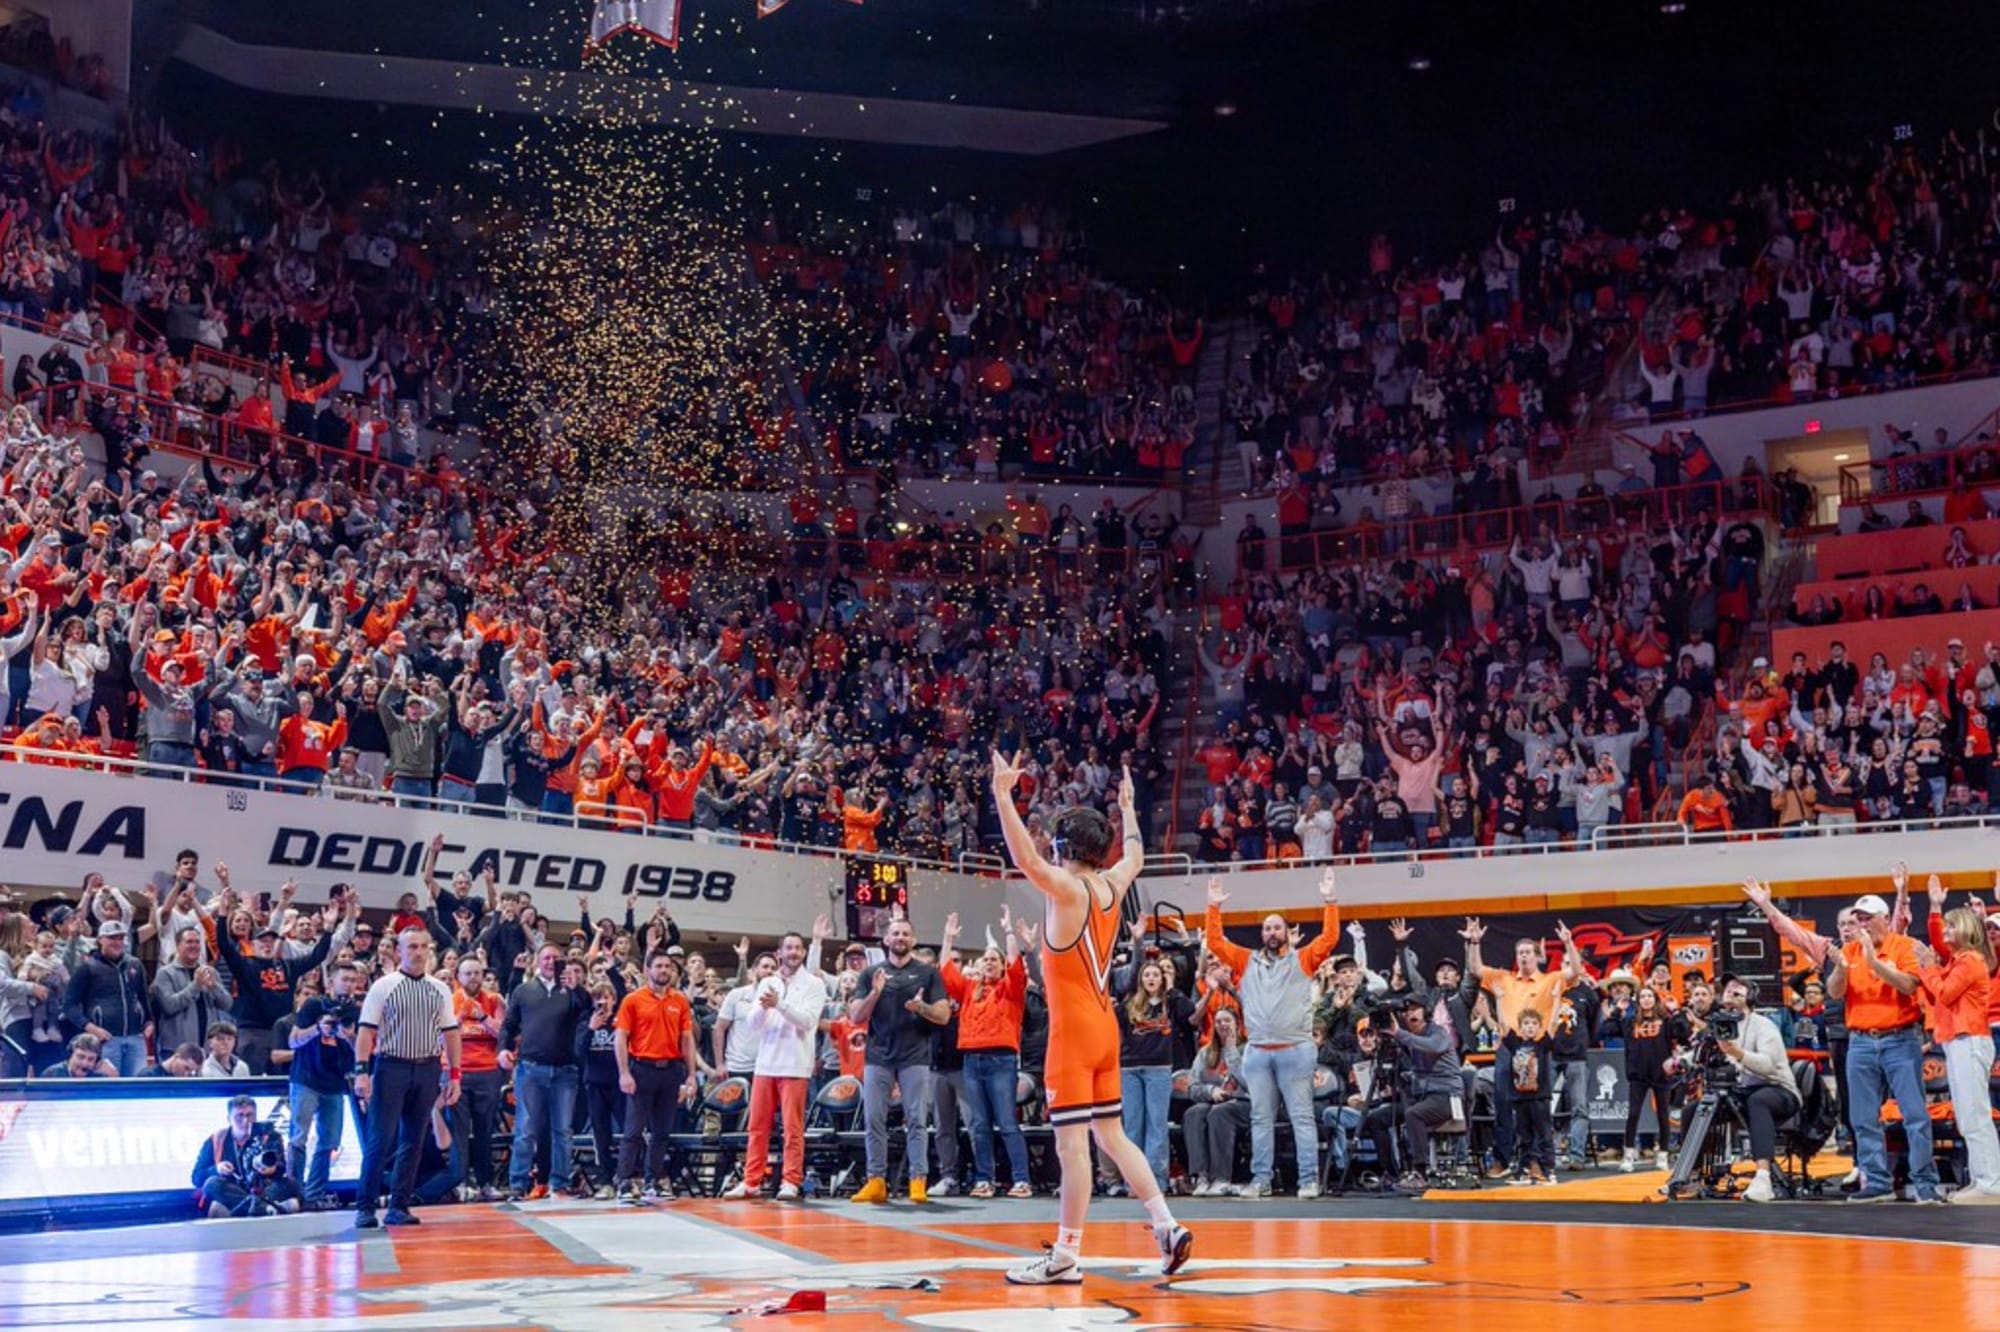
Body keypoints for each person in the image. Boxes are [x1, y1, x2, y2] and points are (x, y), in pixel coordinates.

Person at [989, 751, 1190, 1284]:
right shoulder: (1111, 885)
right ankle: (1166, 1226)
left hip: (1073, 1033)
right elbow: (1137, 858)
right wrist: (1128, 810)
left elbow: (1026, 862)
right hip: (1106, 1027)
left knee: (1072, 1146)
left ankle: (1065, 1256)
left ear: (1063, 847)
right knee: (1112, 1135)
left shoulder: (1071, 889)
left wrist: (1003, 795)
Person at [1202, 868, 1343, 1200]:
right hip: (1259, 1053)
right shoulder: (1245, 961)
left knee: (1301, 1118)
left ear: (1286, 932)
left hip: (1296, 1050)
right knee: (1260, 1119)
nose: (1272, 932)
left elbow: (1330, 939)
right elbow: (1215, 942)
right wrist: (1212, 907)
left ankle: (1309, 1180)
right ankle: (1261, 1181)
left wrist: (1330, 901)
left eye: (1277, 926)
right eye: (1267, 927)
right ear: (1262, 933)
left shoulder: (1303, 959)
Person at [1827, 887, 1942, 1203]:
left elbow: (1908, 985)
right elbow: (1836, 993)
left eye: (1867, 918)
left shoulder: (1904, 946)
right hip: (1861, 1042)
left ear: (1882, 919)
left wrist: (1873, 963)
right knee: (1862, 1117)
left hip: (1900, 1039)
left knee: (1915, 1115)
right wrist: (1839, 966)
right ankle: (1876, 1181)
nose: (1861, 924)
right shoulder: (1849, 951)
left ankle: (1925, 1182)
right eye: (1857, 919)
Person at [354, 928, 464, 1229]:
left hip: (427, 1067)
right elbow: (366, 1031)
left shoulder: (439, 988)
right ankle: (364, 1206)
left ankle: (399, 1206)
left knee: (413, 1141)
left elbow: (451, 1034)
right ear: (399, 951)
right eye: (412, 946)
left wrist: (454, 1074)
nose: (418, 952)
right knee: (380, 1139)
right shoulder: (384, 986)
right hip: (391, 1067)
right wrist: (362, 1072)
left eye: (423, 947)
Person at [846, 915, 950, 1204]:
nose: (900, 937)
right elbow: (855, 1016)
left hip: (915, 1057)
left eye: (905, 933)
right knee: (873, 1120)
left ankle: (918, 1180)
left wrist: (921, 1007)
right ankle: (876, 1181)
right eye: (895, 933)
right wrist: (875, 994)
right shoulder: (871, 974)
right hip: (878, 1057)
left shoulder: (928, 974)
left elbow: (943, 1015)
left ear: (913, 940)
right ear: (886, 940)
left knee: (916, 1120)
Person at [722, 930, 826, 1201]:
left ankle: (791, 1181)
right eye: (788, 948)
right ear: (780, 953)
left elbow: (806, 1021)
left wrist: (779, 1004)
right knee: (757, 1127)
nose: (793, 952)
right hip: (766, 1064)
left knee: (792, 1129)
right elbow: (754, 1023)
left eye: (797, 948)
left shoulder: (814, 984)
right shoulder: (768, 981)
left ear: (803, 953)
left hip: (795, 1064)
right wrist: (763, 1006)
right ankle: (751, 1181)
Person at [1461, 918, 1569, 1177]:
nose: (1523, 956)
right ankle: (1503, 1160)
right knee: (1502, 1104)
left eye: (1527, 952)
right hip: (1508, 1046)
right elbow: (1475, 969)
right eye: (1519, 952)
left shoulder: (1549, 980)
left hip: (1537, 1050)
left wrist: (1569, 944)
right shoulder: (1504, 978)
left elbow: (1574, 971)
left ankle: (1536, 1163)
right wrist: (1474, 941)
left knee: (1535, 1111)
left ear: (1536, 955)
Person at [938, 906, 1034, 1198]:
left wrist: (1008, 932)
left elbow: (1016, 962)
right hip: (972, 1062)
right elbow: (945, 970)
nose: (990, 962)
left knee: (1006, 1121)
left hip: (1001, 1061)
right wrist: (947, 937)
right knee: (979, 1125)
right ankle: (984, 1180)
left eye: (995, 959)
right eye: (986, 959)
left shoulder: (1010, 989)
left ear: (1002, 965)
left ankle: (1021, 1180)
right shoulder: (969, 989)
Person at [1918, 887, 2000, 1204]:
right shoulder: (1960, 961)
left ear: (1964, 929)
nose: (1945, 932)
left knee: (1974, 1115)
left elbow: (1945, 994)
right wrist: (1935, 910)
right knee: (1969, 1115)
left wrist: (1927, 966)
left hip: (1969, 1041)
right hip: (1960, 1041)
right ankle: (1984, 1179)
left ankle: (1990, 1183)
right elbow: (1940, 989)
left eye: (1951, 926)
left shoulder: (1969, 962)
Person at [499, 944, 588, 1200]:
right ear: (537, 961)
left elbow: (588, 1010)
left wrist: (577, 988)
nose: (551, 962)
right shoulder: (524, 991)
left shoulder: (572, 992)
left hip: (565, 1071)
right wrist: (503, 1049)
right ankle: (518, 1183)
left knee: (562, 1130)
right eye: (547, 957)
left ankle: (559, 1183)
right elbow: (508, 1025)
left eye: (556, 959)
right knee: (525, 1128)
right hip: (530, 1069)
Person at [612, 949, 699, 1205]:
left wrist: (692, 1074)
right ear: (648, 970)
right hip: (641, 1069)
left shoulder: (680, 1001)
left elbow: (687, 1039)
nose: (664, 971)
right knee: (634, 1130)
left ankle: (653, 1180)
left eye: (667, 967)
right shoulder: (633, 1000)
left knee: (662, 1131)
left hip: (671, 1070)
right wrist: (624, 1072)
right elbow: (621, 1037)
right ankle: (625, 1181)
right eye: (659, 966)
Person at [1708, 975, 1801, 1203]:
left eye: (1736, 990)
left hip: (1779, 1089)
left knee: (1758, 1101)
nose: (1730, 992)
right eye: (1727, 990)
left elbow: (1768, 1065)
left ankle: (1763, 1178)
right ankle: (1696, 1173)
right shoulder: (1719, 1024)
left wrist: (1737, 1053)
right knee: (1699, 1107)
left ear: (1750, 998)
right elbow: (1701, 1052)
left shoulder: (1763, 1025)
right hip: (1742, 1090)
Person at [288, 961, 360, 1210]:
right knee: (299, 1136)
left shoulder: (355, 1012)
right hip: (306, 1079)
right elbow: (293, 1041)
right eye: (345, 979)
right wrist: (318, 1029)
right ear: (331, 983)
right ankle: (294, 1192)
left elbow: (363, 1049)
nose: (349, 985)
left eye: (353, 980)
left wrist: (347, 1036)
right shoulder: (313, 1005)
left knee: (329, 1141)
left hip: (335, 1083)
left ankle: (315, 1194)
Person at [1383, 993, 1468, 1193]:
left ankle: (1420, 1173)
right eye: (1407, 1010)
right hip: (1424, 1096)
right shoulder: (1410, 1036)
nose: (1410, 1013)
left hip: (1448, 1096)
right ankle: (1392, 1172)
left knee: (1413, 1114)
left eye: (1415, 1009)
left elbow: (1432, 1046)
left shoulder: (1437, 1033)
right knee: (1378, 1118)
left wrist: (1399, 1035)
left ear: (1425, 1012)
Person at [61, 919, 152, 1076]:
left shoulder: (135, 965)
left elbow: (144, 997)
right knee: (108, 1086)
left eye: (120, 938)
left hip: (136, 1038)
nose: (117, 942)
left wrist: (149, 1022)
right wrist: (91, 1028)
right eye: (111, 938)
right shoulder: (87, 967)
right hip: (105, 1041)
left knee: (137, 1087)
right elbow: (69, 1005)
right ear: (100, 940)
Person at [193, 1095, 302, 1218]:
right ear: (229, 1119)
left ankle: (242, 1210)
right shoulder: (216, 1140)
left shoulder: (269, 1135)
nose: (245, 1121)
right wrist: (217, 1169)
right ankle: (267, 1209)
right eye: (239, 1116)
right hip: (233, 1190)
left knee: (292, 1185)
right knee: (212, 1184)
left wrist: (273, 1169)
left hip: (264, 1190)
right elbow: (196, 1177)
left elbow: (281, 1167)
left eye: (250, 1115)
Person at [1183, 1007, 1248, 1195]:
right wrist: (1210, 1091)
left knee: (1220, 1113)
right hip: (1214, 1102)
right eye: (1218, 1021)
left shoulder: (1249, 1050)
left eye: (1227, 1020)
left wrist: (1231, 1051)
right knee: (1194, 1112)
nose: (1223, 1025)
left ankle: (1221, 1178)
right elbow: (1192, 1088)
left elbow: (1252, 1084)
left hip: (1244, 1103)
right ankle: (1201, 1177)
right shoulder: (1205, 1053)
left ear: (1238, 1024)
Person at [1498, 1010, 1558, 1184]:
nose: (1530, 1027)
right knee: (1524, 1136)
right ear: (1520, 1027)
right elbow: (1502, 1024)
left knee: (1544, 1134)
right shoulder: (1515, 1043)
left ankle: (1548, 1171)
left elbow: (1553, 1024)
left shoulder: (1542, 1044)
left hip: (1539, 1097)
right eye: (1526, 1023)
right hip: (1519, 1096)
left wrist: (1555, 1000)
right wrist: (1500, 999)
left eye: (1533, 1024)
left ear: (1539, 1027)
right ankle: (1525, 1170)